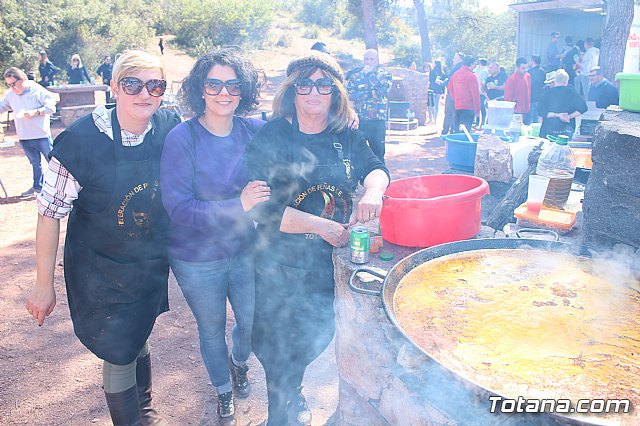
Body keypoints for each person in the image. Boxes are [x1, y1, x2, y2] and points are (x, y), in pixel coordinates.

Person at [26, 49, 181, 425]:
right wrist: (42, 284)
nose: (145, 94)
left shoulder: (168, 125)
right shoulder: (81, 142)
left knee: (138, 333)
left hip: (146, 262)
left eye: (155, 85)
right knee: (117, 349)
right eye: (133, 84)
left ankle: (144, 413)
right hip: (98, 268)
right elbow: (49, 215)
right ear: (114, 86)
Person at [246, 52, 389, 426]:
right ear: (291, 90)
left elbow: (376, 169)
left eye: (323, 84)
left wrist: (373, 191)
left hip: (326, 265)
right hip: (277, 262)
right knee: (273, 347)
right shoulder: (272, 135)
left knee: (314, 339)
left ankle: (292, 394)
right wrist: (321, 226)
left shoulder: (346, 135)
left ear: (335, 92)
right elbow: (261, 208)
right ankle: (279, 415)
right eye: (304, 84)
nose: (314, 92)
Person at [160, 48, 269, 425]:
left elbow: (296, 133)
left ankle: (239, 365)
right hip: (195, 257)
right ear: (200, 89)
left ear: (244, 90)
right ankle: (224, 393)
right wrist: (237, 205)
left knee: (251, 323)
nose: (224, 92)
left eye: (233, 85)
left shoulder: (253, 130)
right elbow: (179, 208)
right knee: (211, 330)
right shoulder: (182, 137)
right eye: (214, 84)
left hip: (243, 249)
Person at [1, 67, 56, 197]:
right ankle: (38, 187)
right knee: (35, 163)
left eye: (13, 84)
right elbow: (3, 106)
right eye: (9, 85)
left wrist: (35, 112)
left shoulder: (37, 90)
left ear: (22, 79)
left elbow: (51, 107)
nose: (12, 87)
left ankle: (60, 188)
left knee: (53, 162)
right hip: (24, 136)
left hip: (41, 135)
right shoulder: (10, 95)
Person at [346, 49, 392, 164]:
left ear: (377, 60)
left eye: (372, 59)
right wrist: (370, 93)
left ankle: (381, 179)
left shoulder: (385, 75)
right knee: (354, 153)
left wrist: (369, 76)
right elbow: (349, 95)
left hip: (376, 121)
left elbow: (382, 92)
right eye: (366, 59)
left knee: (378, 154)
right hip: (358, 120)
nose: (369, 62)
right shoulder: (355, 76)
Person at [538, 69, 587, 139]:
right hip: (566, 130)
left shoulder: (546, 94)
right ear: (565, 82)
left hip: (548, 130)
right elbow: (583, 108)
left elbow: (541, 112)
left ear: (555, 81)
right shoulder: (572, 93)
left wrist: (557, 115)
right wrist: (569, 116)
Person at [447, 55, 480, 133]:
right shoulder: (472, 76)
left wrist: (456, 98)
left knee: (457, 130)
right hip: (469, 107)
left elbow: (450, 88)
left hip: (458, 106)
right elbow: (475, 95)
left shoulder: (456, 74)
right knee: (466, 132)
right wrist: (477, 110)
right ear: (472, 64)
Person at [440, 52, 464, 135]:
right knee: (453, 112)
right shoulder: (460, 68)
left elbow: (451, 79)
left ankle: (446, 130)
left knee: (449, 112)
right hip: (458, 93)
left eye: (455, 58)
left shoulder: (458, 68)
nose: (453, 60)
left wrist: (442, 83)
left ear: (460, 59)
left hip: (453, 93)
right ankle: (451, 129)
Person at [504, 57, 532, 124]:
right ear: (517, 67)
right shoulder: (511, 80)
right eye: (523, 68)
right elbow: (507, 98)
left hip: (527, 109)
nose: (525, 70)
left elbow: (529, 91)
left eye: (526, 68)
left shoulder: (528, 76)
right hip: (516, 111)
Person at [528, 55, 546, 123]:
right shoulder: (543, 72)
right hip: (540, 98)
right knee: (537, 118)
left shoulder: (529, 73)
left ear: (533, 61)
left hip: (531, 98)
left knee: (529, 118)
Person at [428, 60, 446, 125]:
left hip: (432, 90)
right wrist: (443, 92)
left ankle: (431, 118)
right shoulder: (442, 74)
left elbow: (430, 80)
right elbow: (443, 84)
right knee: (436, 105)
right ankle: (435, 118)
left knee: (431, 105)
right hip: (438, 91)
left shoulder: (432, 72)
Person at [473, 58, 489, 128]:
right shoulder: (481, 70)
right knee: (480, 107)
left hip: (481, 92)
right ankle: (479, 122)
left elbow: (482, 81)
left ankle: (481, 123)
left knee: (481, 107)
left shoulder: (484, 71)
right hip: (480, 91)